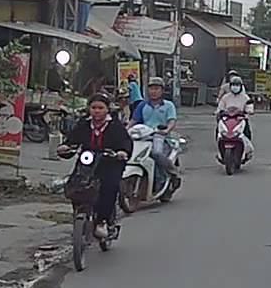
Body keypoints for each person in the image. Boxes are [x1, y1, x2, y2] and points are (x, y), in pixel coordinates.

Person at [57, 94, 132, 239]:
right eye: (94, 107)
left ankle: (103, 221)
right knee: (75, 185)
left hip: (109, 162)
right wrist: (65, 147)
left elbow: (125, 142)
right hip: (88, 161)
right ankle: (79, 213)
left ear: (107, 109)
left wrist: (122, 152)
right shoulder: (84, 124)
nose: (97, 111)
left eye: (100, 108)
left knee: (109, 187)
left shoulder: (115, 126)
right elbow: (72, 140)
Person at [131, 77, 180, 187]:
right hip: (143, 136)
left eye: (157, 89)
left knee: (156, 153)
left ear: (162, 91)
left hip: (160, 136)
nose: (154, 91)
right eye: (151, 89)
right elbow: (133, 121)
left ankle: (172, 172)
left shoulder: (168, 105)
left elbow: (172, 121)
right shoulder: (142, 105)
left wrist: (166, 130)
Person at [217, 74, 253, 140]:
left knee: (247, 132)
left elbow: (249, 107)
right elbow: (220, 107)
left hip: (240, 118)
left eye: (237, 85)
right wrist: (219, 112)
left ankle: (246, 143)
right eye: (233, 85)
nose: (235, 87)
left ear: (241, 86)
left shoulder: (245, 97)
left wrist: (248, 111)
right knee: (219, 129)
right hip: (227, 118)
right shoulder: (226, 97)